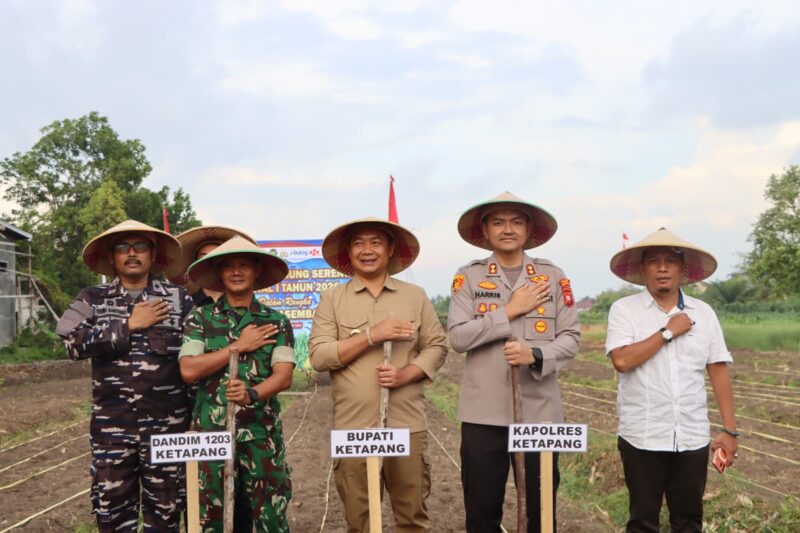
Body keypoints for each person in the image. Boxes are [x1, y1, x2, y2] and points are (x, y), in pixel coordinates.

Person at [448, 192, 580, 532]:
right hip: (483, 412)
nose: (508, 229)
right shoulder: (469, 277)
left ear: (528, 229)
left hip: (540, 412)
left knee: (540, 511)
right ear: (485, 230)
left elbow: (570, 339)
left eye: (516, 221)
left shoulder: (551, 275)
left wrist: (535, 354)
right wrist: (508, 311)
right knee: (481, 511)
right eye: (499, 222)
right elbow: (458, 338)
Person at [309, 217, 448, 533]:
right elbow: (319, 357)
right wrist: (371, 335)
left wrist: (406, 374)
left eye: (375, 242)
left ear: (390, 250)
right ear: (348, 252)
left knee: (412, 517)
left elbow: (436, 346)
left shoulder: (414, 296)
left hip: (406, 425)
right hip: (353, 428)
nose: (367, 250)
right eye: (359, 243)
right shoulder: (333, 299)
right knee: (360, 521)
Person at [56, 219, 194, 532]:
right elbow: (70, 342)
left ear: (153, 254)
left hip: (168, 430)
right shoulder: (92, 298)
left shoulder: (178, 299)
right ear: (112, 257)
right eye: (123, 247)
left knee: (167, 516)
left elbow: (195, 359)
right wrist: (128, 325)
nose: (132, 253)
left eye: (140, 246)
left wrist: (196, 416)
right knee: (113, 517)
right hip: (112, 432)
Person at [606, 227, 738, 533]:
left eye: (670, 260)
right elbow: (622, 360)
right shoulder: (625, 310)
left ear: (682, 268)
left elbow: (718, 370)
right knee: (642, 522)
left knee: (688, 521)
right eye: (654, 261)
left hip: (691, 435)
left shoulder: (703, 313)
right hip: (642, 435)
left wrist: (730, 430)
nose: (662, 268)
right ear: (643, 268)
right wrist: (668, 331)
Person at [179, 236, 295, 533]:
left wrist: (251, 394)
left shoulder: (276, 321)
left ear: (257, 271)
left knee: (271, 516)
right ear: (219, 273)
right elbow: (189, 370)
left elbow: (283, 375)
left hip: (261, 435)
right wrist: (236, 347)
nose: (236, 271)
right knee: (212, 520)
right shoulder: (200, 319)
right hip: (212, 435)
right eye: (228, 266)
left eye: (244, 264)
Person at [170, 225, 258, 532]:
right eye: (206, 258)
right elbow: (185, 366)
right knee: (202, 498)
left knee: (244, 497)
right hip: (193, 414)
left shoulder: (254, 311)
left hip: (244, 417)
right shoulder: (183, 306)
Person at [172, 225, 258, 307]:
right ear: (196, 264)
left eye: (215, 257)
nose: (209, 262)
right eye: (203, 257)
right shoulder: (185, 303)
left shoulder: (247, 302)